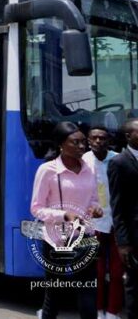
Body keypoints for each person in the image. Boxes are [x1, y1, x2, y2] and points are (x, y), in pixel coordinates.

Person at [31, 121, 103, 319]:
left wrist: (95, 208)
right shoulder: (48, 170)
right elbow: (36, 208)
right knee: (54, 294)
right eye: (75, 142)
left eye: (83, 142)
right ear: (61, 144)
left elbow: (94, 199)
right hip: (56, 240)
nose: (82, 147)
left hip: (86, 238)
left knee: (88, 292)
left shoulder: (90, 168)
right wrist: (63, 215)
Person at [82, 126, 122, 319]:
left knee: (116, 273)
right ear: (88, 141)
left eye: (102, 138)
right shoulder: (82, 161)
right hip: (92, 225)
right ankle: (98, 311)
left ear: (109, 141)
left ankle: (113, 312)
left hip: (116, 223)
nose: (98, 141)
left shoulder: (118, 159)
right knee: (95, 272)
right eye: (94, 138)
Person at [109, 118, 138, 319]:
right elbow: (117, 207)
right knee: (134, 284)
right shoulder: (119, 163)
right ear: (128, 136)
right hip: (134, 235)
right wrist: (123, 243)